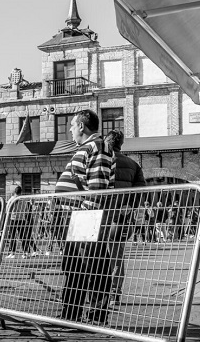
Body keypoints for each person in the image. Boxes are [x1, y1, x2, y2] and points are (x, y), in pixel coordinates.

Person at [55, 109, 115, 325]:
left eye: (72, 125)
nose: (70, 129)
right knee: (75, 266)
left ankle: (96, 316)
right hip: (79, 217)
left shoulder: (97, 146)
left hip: (86, 216)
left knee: (94, 267)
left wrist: (84, 217)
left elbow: (97, 188)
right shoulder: (88, 147)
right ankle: (71, 314)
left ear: (81, 126)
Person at [104, 129, 146, 306]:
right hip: (123, 219)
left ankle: (98, 294)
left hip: (102, 216)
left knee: (96, 257)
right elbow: (141, 192)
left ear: (107, 143)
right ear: (121, 144)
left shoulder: (103, 161)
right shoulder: (133, 164)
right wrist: (129, 208)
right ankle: (115, 293)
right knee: (117, 256)